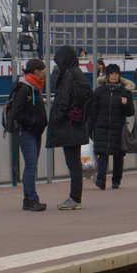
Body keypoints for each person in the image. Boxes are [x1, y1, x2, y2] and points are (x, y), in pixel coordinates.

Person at [45, 45, 92, 211]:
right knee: (74, 163)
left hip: (68, 125)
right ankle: (75, 197)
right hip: (76, 124)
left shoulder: (68, 75)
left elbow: (63, 101)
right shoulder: (77, 73)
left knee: (72, 163)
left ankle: (74, 198)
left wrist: (56, 119)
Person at [7, 58, 49, 211]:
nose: (45, 72)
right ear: (36, 71)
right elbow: (17, 112)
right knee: (31, 165)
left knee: (31, 165)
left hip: (34, 130)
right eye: (43, 69)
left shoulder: (34, 86)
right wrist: (32, 122)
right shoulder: (25, 88)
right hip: (26, 131)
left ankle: (28, 198)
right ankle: (31, 198)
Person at [89, 63, 135, 190]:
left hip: (118, 127)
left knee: (118, 155)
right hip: (101, 127)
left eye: (116, 74)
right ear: (107, 76)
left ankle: (116, 180)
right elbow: (93, 111)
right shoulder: (99, 91)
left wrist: (126, 104)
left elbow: (131, 112)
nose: (114, 76)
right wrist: (90, 128)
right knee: (103, 154)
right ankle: (101, 179)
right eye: (112, 74)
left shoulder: (125, 92)